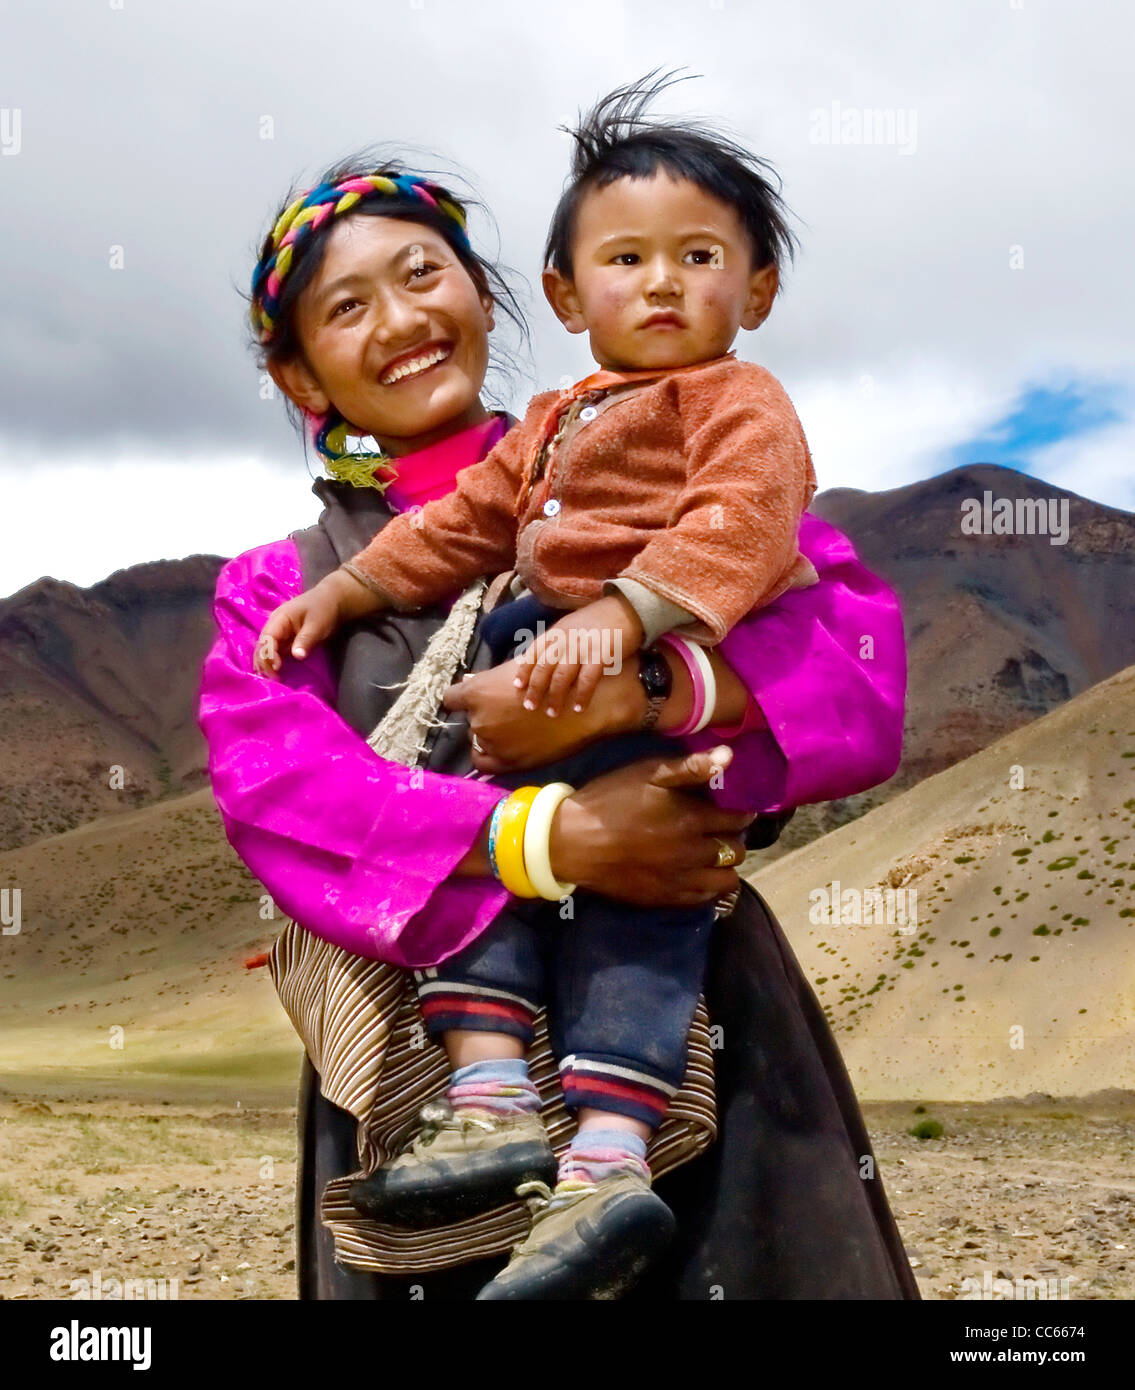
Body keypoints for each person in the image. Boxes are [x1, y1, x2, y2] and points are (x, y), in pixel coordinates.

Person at [198, 125, 914, 1300]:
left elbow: (858, 679)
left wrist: (631, 695)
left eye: (423, 273)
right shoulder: (280, 589)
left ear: (490, 294)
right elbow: (281, 796)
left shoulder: (669, 461)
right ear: (297, 375)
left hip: (698, 1017)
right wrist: (549, 840)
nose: (400, 320)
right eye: (344, 309)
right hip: (429, 1073)